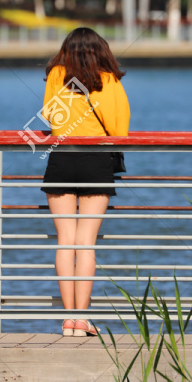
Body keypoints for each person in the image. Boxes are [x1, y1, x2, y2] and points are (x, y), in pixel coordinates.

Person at [40, 27, 130, 337]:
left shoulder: (56, 75)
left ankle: (68, 320)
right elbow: (120, 129)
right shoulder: (107, 78)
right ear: (100, 50)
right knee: (86, 242)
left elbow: (52, 119)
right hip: (96, 161)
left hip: (61, 157)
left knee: (65, 240)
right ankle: (82, 318)